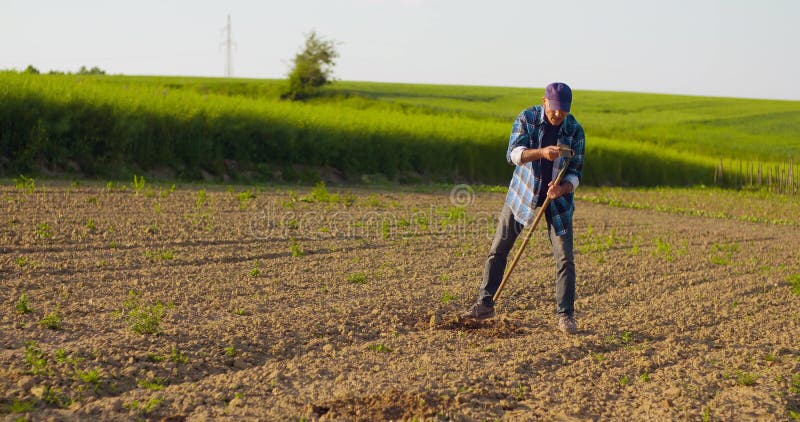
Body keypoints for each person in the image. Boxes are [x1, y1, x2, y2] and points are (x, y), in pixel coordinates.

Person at [462, 82, 585, 334]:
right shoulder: (527, 118)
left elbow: (575, 174)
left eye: (563, 110)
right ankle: (485, 304)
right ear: (544, 102)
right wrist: (541, 152)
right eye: (554, 109)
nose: (558, 115)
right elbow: (514, 155)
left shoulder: (575, 130)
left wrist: (561, 189)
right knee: (499, 249)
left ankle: (566, 316)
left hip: (557, 202)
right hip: (522, 195)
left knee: (565, 259)